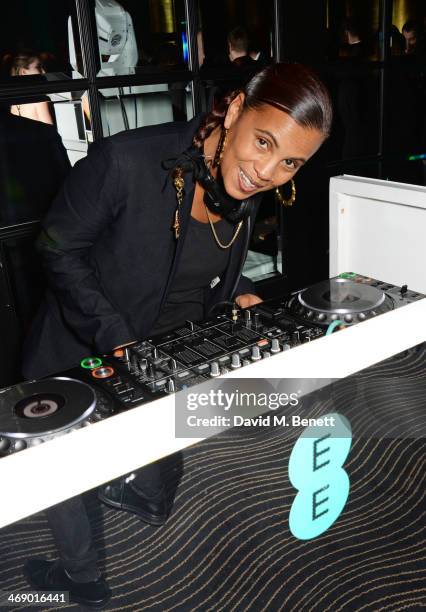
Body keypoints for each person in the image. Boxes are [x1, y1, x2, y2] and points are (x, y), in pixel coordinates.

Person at [21, 62, 332, 608]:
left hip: (165, 349)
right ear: (234, 109)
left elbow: (201, 264)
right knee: (61, 469)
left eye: (290, 162)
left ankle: (148, 495)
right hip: (76, 344)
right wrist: (116, 336)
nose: (266, 170)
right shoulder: (125, 160)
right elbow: (55, 248)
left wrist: (233, 296)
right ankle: (83, 579)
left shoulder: (242, 175)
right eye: (263, 142)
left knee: (159, 427)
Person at [3, 51, 54, 125]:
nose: (43, 71)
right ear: (23, 72)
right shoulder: (38, 97)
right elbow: (49, 129)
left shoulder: (12, 98)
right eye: (38, 67)